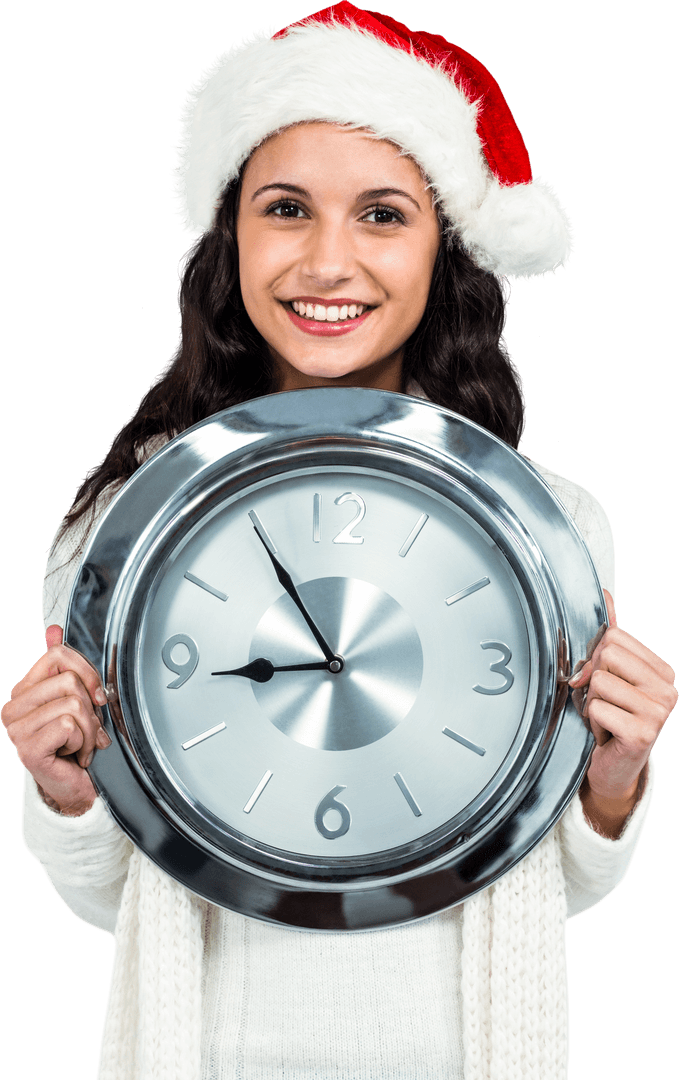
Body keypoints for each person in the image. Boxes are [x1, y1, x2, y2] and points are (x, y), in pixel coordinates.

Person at [2, 4, 676, 1078]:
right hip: (208, 1050)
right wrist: (64, 787)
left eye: (380, 215)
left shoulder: (553, 523)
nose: (327, 261)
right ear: (232, 239)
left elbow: (560, 889)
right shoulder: (122, 523)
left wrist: (611, 778)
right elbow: (104, 902)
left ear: (441, 247)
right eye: (285, 210)